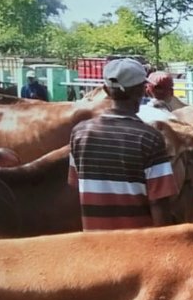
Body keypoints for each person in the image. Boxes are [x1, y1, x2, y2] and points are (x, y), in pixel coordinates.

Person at [67, 58, 178, 231]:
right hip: (137, 248)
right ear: (143, 91)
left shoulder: (79, 133)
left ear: (105, 90)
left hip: (94, 243)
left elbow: (75, 187)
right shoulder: (150, 138)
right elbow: (159, 203)